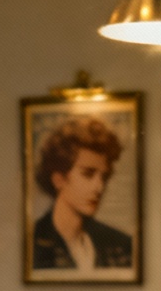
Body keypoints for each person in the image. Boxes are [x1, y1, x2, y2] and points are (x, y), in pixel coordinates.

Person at [32, 116, 134, 272]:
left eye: (104, 177)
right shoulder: (32, 243)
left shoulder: (122, 246)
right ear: (59, 179)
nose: (99, 187)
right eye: (88, 174)